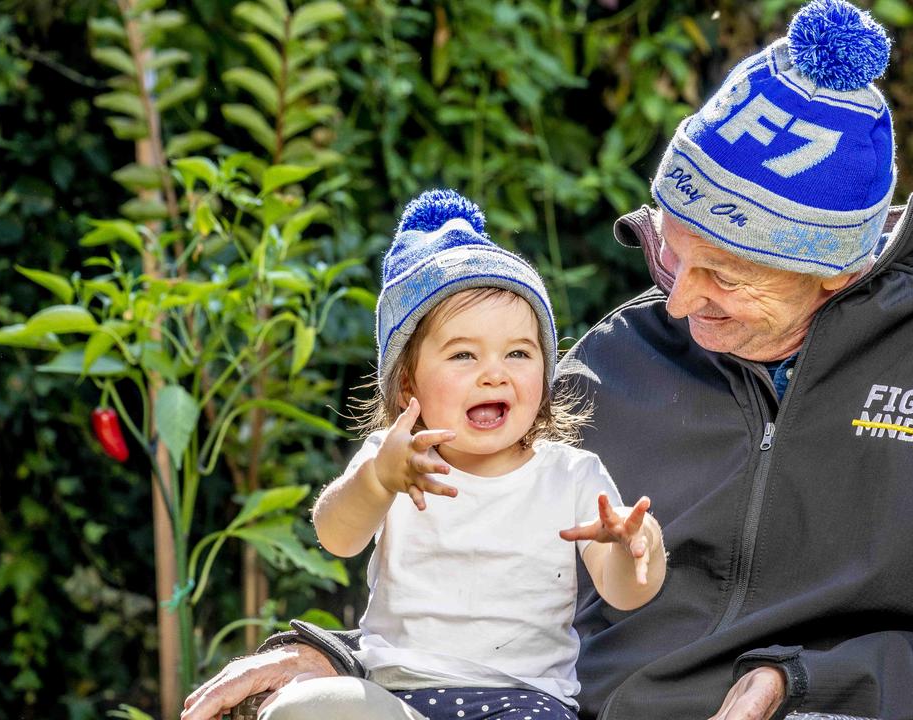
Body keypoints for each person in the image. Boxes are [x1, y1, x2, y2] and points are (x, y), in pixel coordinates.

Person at [183, 1, 913, 718]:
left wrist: (810, 688)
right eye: (671, 252)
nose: (682, 301)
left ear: (838, 270)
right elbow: (496, 597)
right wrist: (344, 659)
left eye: (728, 277)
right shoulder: (616, 361)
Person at [184, 189, 667, 720]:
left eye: (519, 353)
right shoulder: (390, 462)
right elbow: (336, 536)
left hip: (525, 705)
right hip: (395, 700)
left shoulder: (571, 475)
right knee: (305, 706)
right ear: (408, 380)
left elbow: (625, 594)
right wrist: (376, 481)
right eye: (463, 354)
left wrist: (635, 546)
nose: (494, 372)